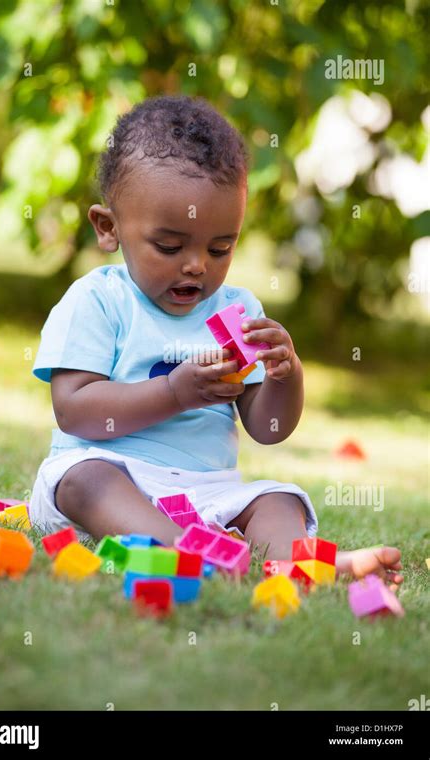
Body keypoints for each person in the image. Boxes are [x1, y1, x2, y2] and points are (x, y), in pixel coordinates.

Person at [29, 95, 402, 585]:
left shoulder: (238, 312)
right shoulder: (98, 300)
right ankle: (190, 554)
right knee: (85, 480)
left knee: (277, 499)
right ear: (109, 228)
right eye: (169, 246)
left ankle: (306, 565)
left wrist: (286, 375)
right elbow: (73, 410)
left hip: (208, 492)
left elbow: (267, 428)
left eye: (220, 247)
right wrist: (175, 393)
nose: (196, 265)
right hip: (113, 470)